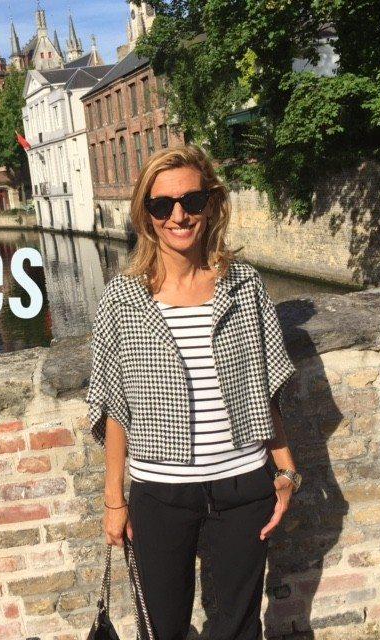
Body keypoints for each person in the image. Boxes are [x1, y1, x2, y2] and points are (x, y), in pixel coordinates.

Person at [86, 145, 302, 640]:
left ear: (212, 203)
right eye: (162, 205)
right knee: (161, 629)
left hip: (242, 485)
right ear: (146, 214)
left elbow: (265, 390)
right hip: (160, 493)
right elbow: (116, 406)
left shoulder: (244, 286)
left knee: (239, 628)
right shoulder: (123, 298)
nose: (179, 216)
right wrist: (114, 500)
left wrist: (286, 469)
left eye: (192, 200)